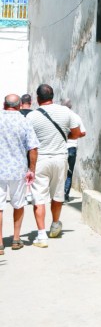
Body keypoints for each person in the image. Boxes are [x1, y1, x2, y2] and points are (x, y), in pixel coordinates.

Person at [27, 83, 84, 246]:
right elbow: (77, 133)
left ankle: (41, 235)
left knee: (39, 197)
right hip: (60, 158)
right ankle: (55, 225)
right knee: (58, 194)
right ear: (52, 96)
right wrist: (64, 136)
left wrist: (31, 168)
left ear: (38, 98)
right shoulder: (66, 112)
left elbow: (29, 143)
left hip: (41, 160)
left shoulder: (31, 116)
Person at [0, 93, 38, 252]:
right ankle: (16, 239)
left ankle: (0, 243)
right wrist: (32, 170)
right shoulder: (25, 121)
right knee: (19, 204)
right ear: (20, 106)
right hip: (18, 170)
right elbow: (33, 148)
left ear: (4, 105)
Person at [61, 97, 86, 202]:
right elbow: (83, 132)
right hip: (72, 148)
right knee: (69, 172)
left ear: (61, 106)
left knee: (59, 173)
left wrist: (66, 136)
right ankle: (65, 195)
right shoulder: (76, 116)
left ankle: (57, 195)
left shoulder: (58, 116)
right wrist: (74, 135)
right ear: (71, 106)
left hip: (60, 148)